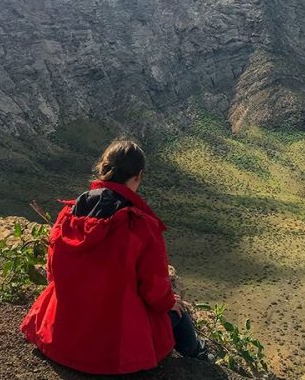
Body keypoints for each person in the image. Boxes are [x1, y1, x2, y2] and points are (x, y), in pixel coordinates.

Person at [20, 139, 206, 375]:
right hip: (112, 350)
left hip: (62, 337)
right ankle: (201, 358)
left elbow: (52, 272)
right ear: (138, 176)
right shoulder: (138, 225)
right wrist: (170, 302)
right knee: (177, 312)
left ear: (104, 168)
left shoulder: (69, 214)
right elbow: (155, 291)